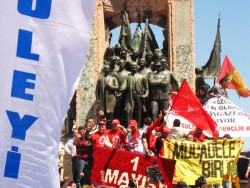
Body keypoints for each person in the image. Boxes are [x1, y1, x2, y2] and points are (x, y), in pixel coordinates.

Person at [121, 60, 149, 127]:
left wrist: (145, 95)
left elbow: (147, 88)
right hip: (130, 96)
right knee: (128, 111)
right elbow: (124, 85)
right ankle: (129, 126)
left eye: (135, 66)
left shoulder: (142, 76)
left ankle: (138, 126)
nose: (134, 67)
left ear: (137, 67)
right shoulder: (127, 76)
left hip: (139, 96)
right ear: (130, 67)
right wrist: (121, 88)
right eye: (133, 66)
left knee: (138, 111)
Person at [96, 64, 119, 129]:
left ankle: (111, 128)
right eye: (105, 68)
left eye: (108, 68)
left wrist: (110, 87)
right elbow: (97, 90)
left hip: (111, 100)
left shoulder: (113, 78)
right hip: (102, 100)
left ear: (109, 70)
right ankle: (103, 129)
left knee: (110, 115)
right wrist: (98, 100)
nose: (107, 70)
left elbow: (117, 87)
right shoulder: (100, 79)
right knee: (102, 116)